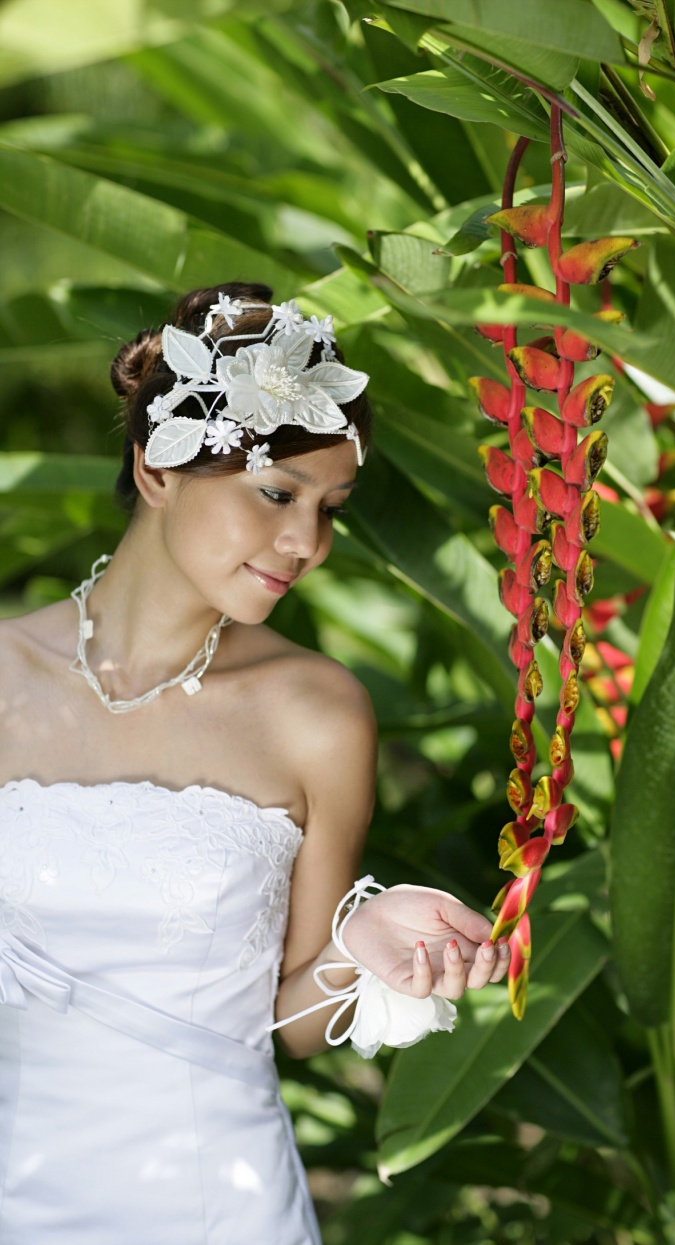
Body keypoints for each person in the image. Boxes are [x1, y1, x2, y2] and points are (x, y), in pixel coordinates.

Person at [0, 283, 510, 1244]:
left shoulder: (315, 716)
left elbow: (287, 1020)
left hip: (215, 1204)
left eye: (331, 509)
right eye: (278, 494)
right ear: (157, 467)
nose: (306, 543)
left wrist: (362, 952)